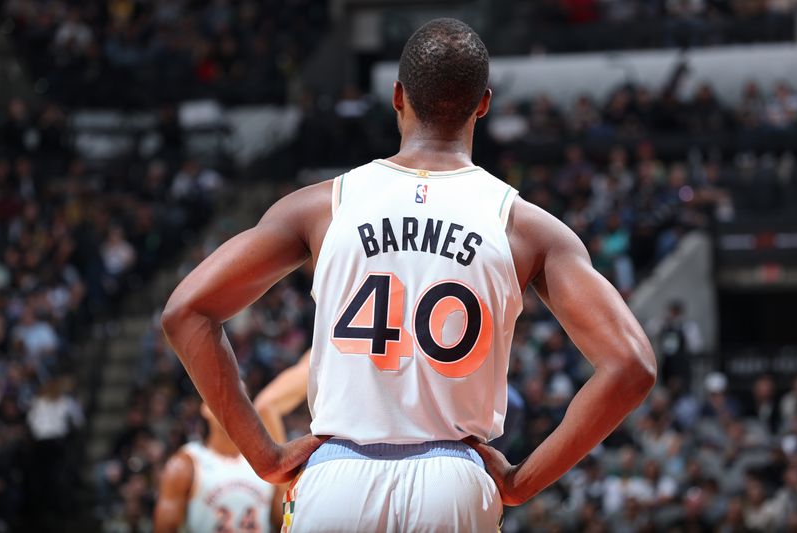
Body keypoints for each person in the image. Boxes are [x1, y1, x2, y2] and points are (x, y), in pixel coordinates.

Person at [161, 18, 656, 531]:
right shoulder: (524, 226)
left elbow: (186, 311)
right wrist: (520, 482)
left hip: (338, 477)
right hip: (454, 480)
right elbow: (631, 365)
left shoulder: (323, 206)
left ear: (397, 96)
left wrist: (263, 456)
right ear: (483, 103)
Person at [153, 394, 286, 533]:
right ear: (204, 407)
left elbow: (286, 522)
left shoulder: (266, 459)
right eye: (224, 396)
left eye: (238, 397)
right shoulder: (186, 464)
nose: (231, 406)